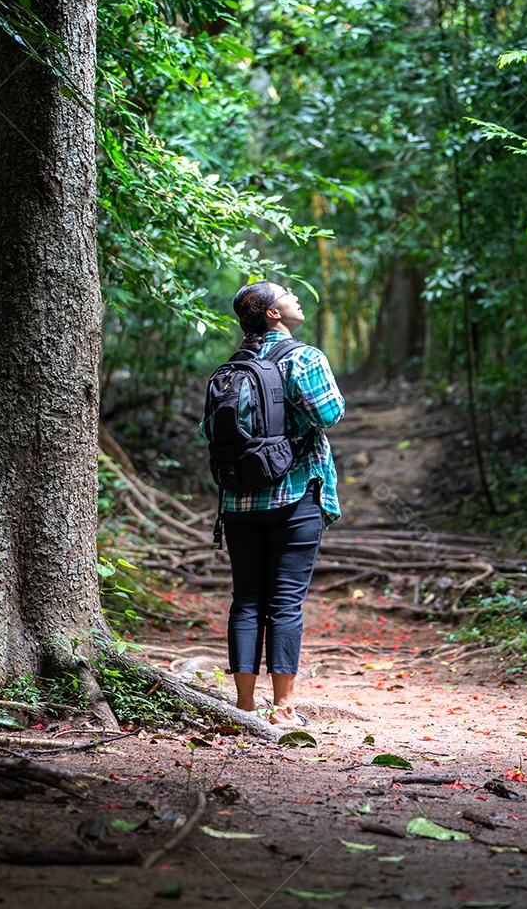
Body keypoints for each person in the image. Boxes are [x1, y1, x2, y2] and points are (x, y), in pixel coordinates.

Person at [219, 280, 345, 728]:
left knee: (247, 599)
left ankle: (243, 708)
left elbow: (207, 429)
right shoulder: (304, 357)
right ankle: (285, 709)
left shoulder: (235, 365)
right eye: (286, 293)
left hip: (238, 501)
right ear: (273, 314)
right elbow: (329, 415)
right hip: (294, 494)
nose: (295, 296)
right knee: (286, 602)